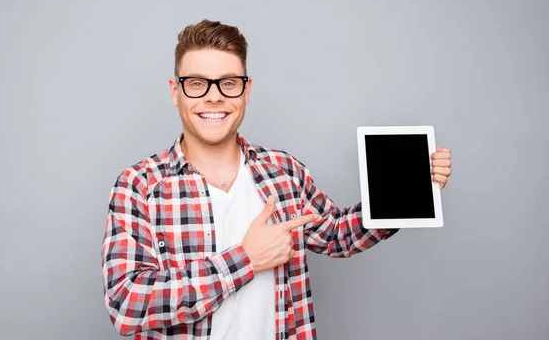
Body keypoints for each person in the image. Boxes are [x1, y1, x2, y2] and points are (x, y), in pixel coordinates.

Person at [101, 19, 453, 340]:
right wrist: (246, 259)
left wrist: (411, 189)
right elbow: (127, 304)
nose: (214, 95)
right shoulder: (139, 186)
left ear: (246, 90)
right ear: (175, 91)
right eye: (196, 83)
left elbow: (337, 235)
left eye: (228, 83)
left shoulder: (283, 171)